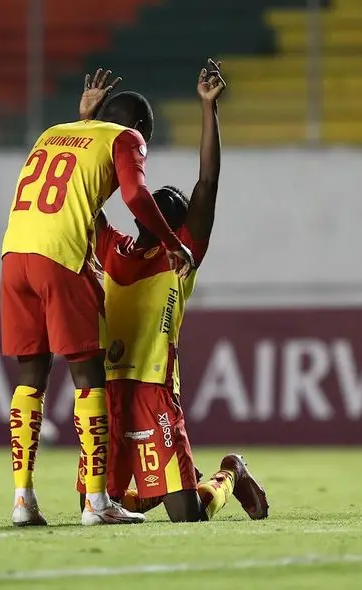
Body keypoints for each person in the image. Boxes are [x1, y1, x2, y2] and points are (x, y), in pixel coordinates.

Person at [1, 68, 196, 527]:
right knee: (89, 378)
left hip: (13, 254)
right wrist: (172, 242)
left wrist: (86, 119)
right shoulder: (127, 138)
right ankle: (96, 502)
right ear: (141, 128)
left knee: (30, 378)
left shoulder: (53, 132)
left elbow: (72, 179)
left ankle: (23, 499)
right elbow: (135, 194)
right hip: (61, 258)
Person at [84, 60, 269, 523]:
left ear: (179, 225)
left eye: (174, 206)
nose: (164, 201)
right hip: (108, 390)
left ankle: (230, 473)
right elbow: (83, 195)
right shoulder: (113, 249)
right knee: (98, 506)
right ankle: (170, 484)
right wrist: (87, 124)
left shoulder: (179, 259)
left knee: (187, 516)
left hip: (154, 391)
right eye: (157, 201)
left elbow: (208, 183)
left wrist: (208, 109)